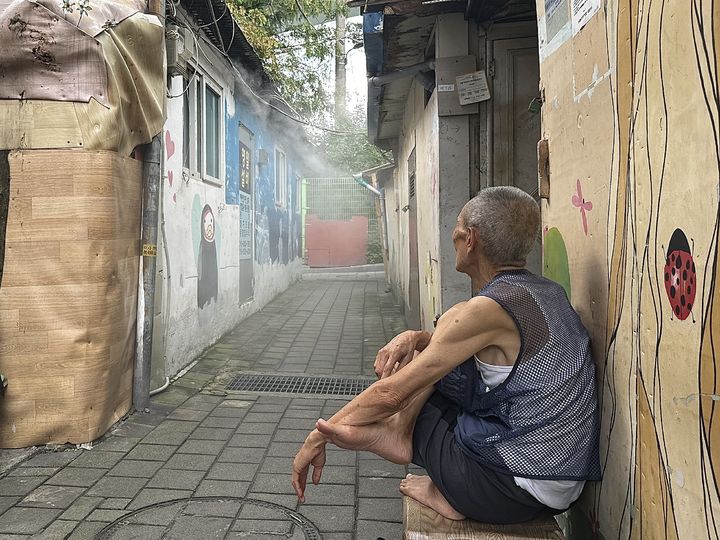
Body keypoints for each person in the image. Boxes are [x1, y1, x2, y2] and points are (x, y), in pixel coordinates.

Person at [291, 186, 601, 523]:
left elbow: (392, 393)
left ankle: (442, 486)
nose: (452, 235)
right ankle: (404, 440)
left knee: (433, 363)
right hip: (557, 484)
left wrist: (320, 434)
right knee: (444, 341)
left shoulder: (487, 309)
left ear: (470, 239)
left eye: (456, 226)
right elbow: (455, 345)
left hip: (511, 489)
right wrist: (418, 337)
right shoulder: (541, 292)